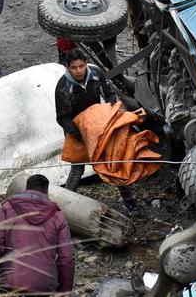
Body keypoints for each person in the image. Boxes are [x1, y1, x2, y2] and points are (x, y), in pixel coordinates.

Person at [54, 49, 141, 215]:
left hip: (99, 126)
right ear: (67, 67)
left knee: (113, 163)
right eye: (74, 68)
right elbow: (62, 118)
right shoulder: (63, 87)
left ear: (86, 63)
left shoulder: (95, 73)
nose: (79, 70)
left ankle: (129, 202)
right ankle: (64, 205)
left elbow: (110, 95)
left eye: (81, 66)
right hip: (76, 131)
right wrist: (80, 135)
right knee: (77, 168)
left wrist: (109, 114)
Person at [0, 174, 74, 297]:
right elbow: (66, 257)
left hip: (10, 278)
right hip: (42, 283)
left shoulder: (8, 208)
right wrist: (64, 289)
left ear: (26, 188)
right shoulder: (57, 216)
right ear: (47, 192)